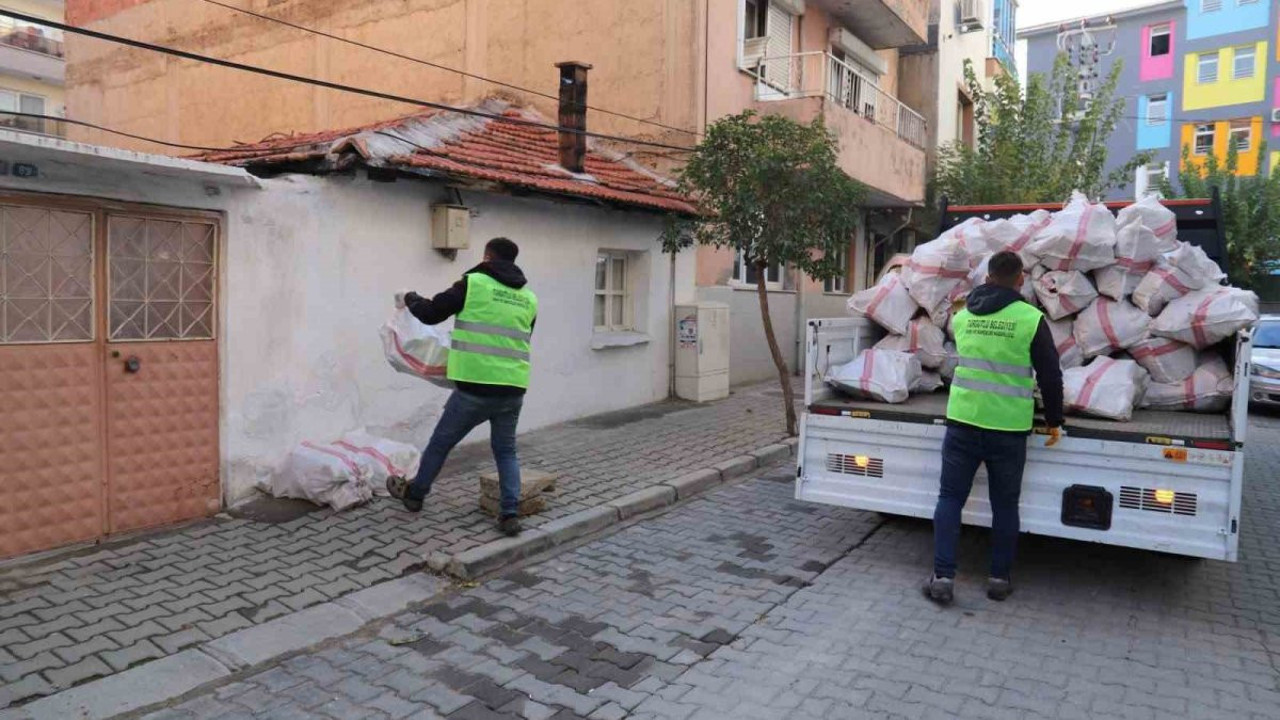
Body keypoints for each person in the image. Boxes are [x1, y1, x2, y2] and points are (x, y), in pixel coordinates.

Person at [924, 250, 1063, 605]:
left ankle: (942, 577)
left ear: (987, 278)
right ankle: (999, 579)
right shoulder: (1030, 319)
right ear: (1020, 280)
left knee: (949, 498)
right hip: (1008, 428)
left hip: (963, 421)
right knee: (1004, 505)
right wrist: (1055, 420)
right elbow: (1049, 373)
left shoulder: (962, 315)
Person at [386, 237, 537, 537]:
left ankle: (415, 495)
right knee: (506, 451)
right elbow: (519, 338)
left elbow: (431, 313)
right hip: (513, 389)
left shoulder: (474, 283)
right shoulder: (528, 298)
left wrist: (411, 297)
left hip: (475, 388)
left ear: (487, 256)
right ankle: (509, 514)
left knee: (442, 442)